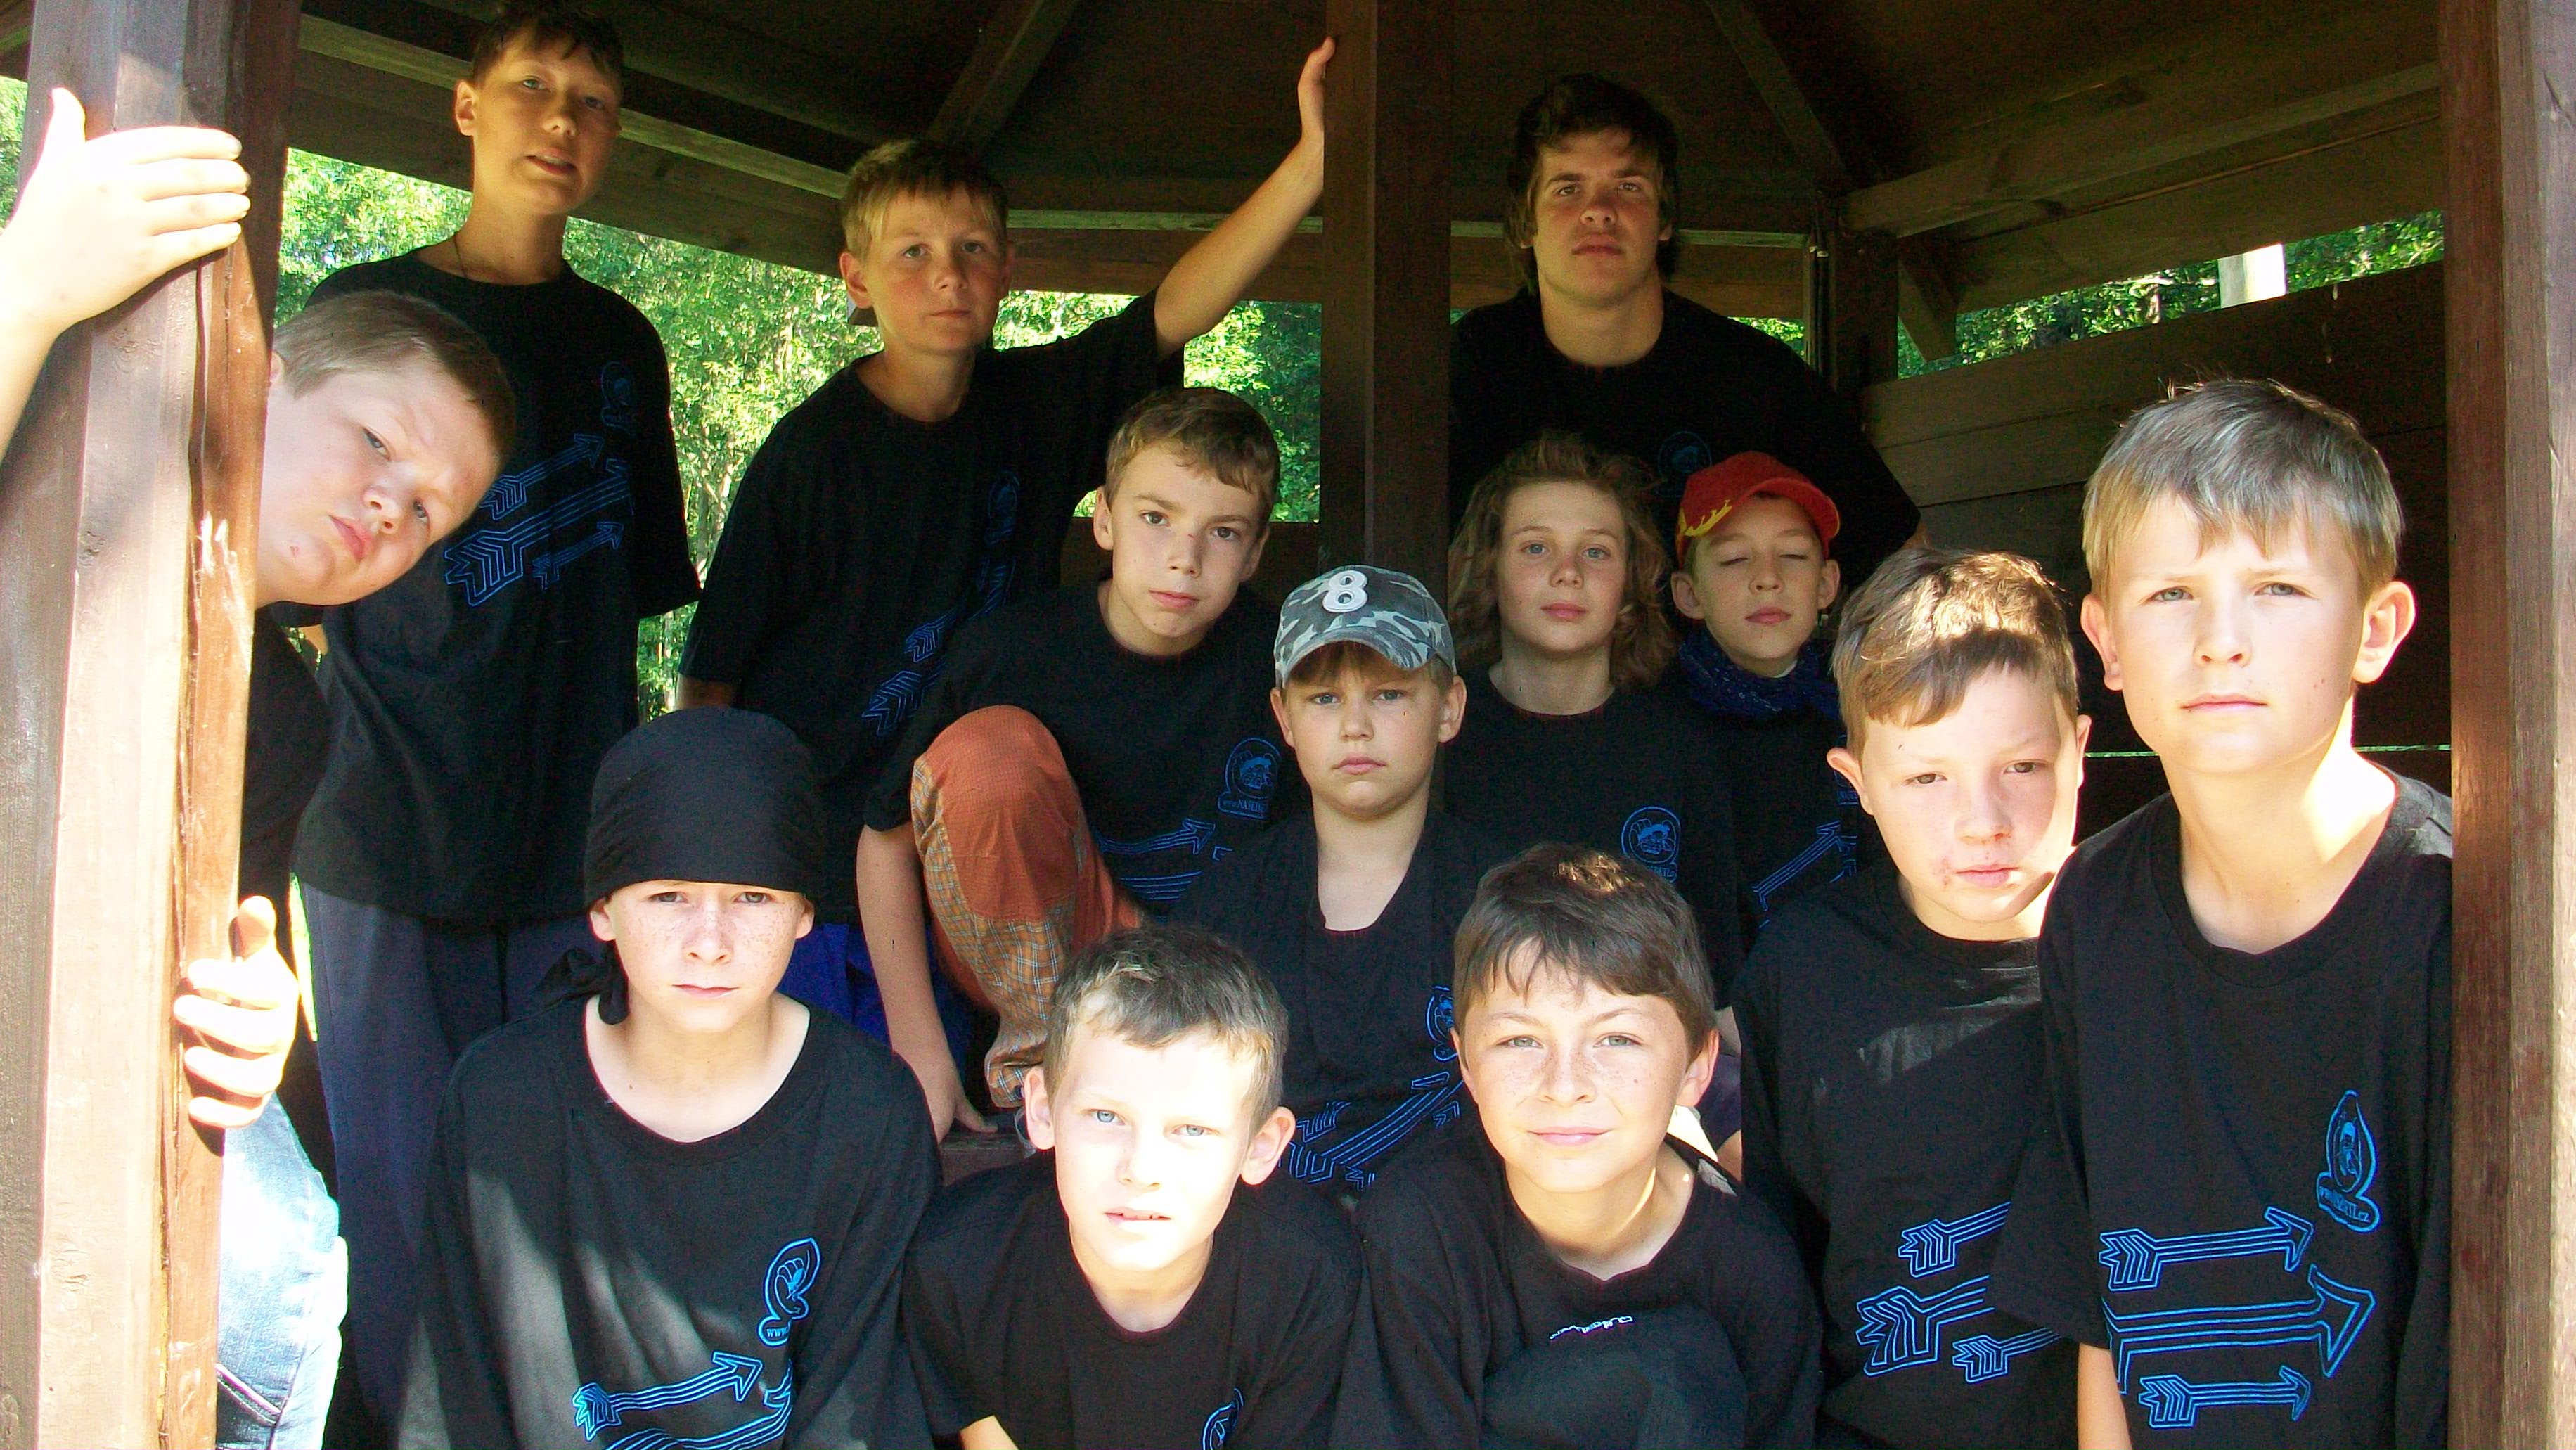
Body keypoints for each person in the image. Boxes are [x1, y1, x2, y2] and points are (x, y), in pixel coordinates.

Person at [676, 39, 1334, 1039]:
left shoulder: (1031, 405)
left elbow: (1171, 312)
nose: (947, 275)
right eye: (912, 253)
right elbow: (710, 680)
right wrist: (713, 859)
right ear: (856, 278)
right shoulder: (810, 457)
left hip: (992, 854)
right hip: (825, 860)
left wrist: (1312, 166)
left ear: (1007, 271)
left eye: (973, 250)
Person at [285, 2, 704, 1420]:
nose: (561, 119)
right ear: (467, 108)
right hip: (381, 830)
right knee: (394, 1197)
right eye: (531, 86)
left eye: (593, 100)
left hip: (564, 844)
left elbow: (642, 598)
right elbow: (287, 563)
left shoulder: (618, 342)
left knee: (545, 1192)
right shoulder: (368, 310)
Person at [1989, 380, 2449, 1448]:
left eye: (2278, 587)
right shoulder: (2095, 905)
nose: (2221, 640)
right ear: (2104, 639)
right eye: (2171, 594)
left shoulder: (2459, 914)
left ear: (2375, 628)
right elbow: (2100, 1294)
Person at [399, 706, 939, 1450]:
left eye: (752, 897)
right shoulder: (503, 1103)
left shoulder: (869, 1113)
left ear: (804, 914)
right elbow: (455, 1408)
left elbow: (861, 1417)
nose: (708, 943)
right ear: (602, 910)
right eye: (668, 896)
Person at [858, 387, 1300, 1137]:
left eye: (1222, 532)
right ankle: (1048, 1075)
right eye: (1155, 518)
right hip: (1054, 943)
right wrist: (919, 1048)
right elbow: (882, 842)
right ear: (1103, 519)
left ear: (1256, 552)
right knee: (988, 756)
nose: (1184, 558)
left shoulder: (1281, 661)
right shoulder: (1011, 652)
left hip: (1218, 957)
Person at [1735, 549, 2087, 1449]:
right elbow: (1778, 1253)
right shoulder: (1803, 971)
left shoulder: (2140, 958)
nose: (1981, 821)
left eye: (2021, 766)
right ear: (1856, 783)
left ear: (2080, 750)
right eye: (1927, 778)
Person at [1342, 845, 1821, 1449]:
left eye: (1617, 1039)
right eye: (1520, 1041)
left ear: (1697, 1067)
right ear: (1465, 1062)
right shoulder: (1422, 1228)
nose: (1565, 1086)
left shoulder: (1754, 1271)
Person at [1446, 74, 1919, 586]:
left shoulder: (1755, 377)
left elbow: (1904, 559)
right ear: (1524, 222)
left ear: (1665, 219)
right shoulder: (1471, 368)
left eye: (1628, 187)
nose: (1599, 211)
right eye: (1568, 188)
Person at [903, 924, 1359, 1449]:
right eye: (1106, 1116)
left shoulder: (1306, 1280)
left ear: (1260, 1146)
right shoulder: (961, 1265)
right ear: (1043, 1110)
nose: (1141, 1171)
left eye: (1192, 1130)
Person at [1176, 565, 1512, 1194]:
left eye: (1389, 694)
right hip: (1267, 1226)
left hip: (1458, 1225)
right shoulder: (1224, 907)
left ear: (1449, 708)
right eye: (1324, 699)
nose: (1355, 725)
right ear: (1283, 718)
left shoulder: (1508, 903)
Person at [1443, 431, 1744, 1000]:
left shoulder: (1680, 747)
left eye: (1597, 551)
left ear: (1632, 580)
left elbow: (1717, 977)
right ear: (1489, 568)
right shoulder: (1438, 736)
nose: (1568, 572)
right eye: (1536, 548)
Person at [1670, 451, 1879, 937]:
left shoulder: (1864, 709)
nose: (1767, 577)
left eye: (1793, 556)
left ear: (1826, 584)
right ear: (1689, 595)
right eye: (1734, 559)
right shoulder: (1662, 730)